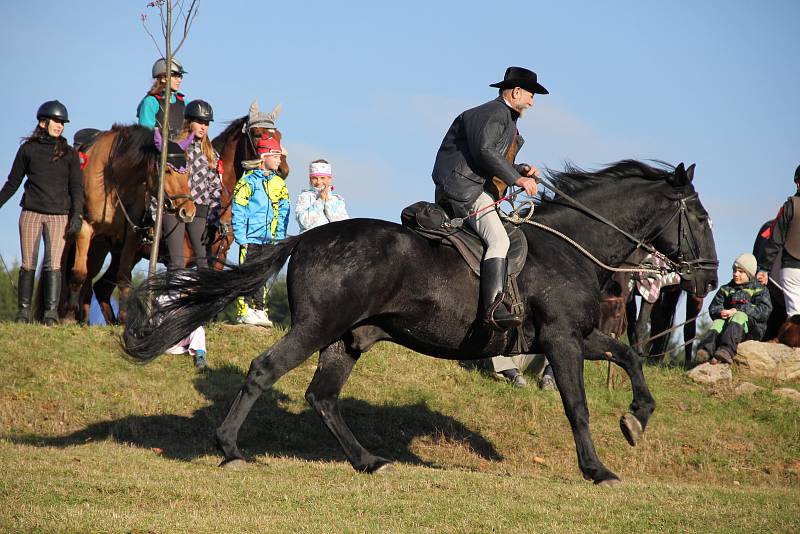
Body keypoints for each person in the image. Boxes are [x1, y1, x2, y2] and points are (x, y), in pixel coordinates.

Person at [432, 66, 547, 331]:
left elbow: (492, 157)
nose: (532, 102)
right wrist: (517, 180)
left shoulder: (504, 118)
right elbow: (485, 152)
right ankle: (494, 308)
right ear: (516, 92)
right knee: (499, 240)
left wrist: (521, 170)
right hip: (465, 190)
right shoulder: (494, 114)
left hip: (470, 186)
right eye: (531, 95)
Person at [0, 101, 83, 326]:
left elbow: (76, 187)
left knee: (53, 264)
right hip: (31, 213)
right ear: (42, 122)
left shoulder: (69, 153)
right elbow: (12, 182)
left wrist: (77, 215)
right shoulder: (28, 150)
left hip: (59, 216)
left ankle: (50, 313)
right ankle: (24, 312)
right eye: (56, 121)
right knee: (28, 263)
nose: (60, 126)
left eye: (62, 123)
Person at [231, 136, 290, 327]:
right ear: (264, 156)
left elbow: (283, 210)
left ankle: (259, 309)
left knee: (263, 274)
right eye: (276, 156)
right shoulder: (247, 181)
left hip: (270, 239)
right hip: (250, 238)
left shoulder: (279, 183)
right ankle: (244, 310)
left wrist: (279, 236)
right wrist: (240, 236)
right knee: (247, 273)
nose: (279, 160)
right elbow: (238, 208)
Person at [160, 99, 222, 270]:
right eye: (199, 122)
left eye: (206, 123)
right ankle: (171, 295)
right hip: (174, 209)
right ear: (189, 122)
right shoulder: (174, 148)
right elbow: (162, 178)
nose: (203, 127)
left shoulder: (211, 154)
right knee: (177, 262)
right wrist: (154, 211)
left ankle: (201, 296)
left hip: (200, 210)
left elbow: (215, 188)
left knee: (203, 262)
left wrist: (213, 220)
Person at [696, 253, 772, 365]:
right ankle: (706, 350)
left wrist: (738, 310)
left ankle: (726, 350)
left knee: (739, 316)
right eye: (734, 270)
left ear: (749, 273)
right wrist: (720, 312)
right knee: (718, 322)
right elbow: (714, 307)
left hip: (752, 329)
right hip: (730, 327)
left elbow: (764, 311)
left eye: (740, 271)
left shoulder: (760, 290)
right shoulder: (726, 289)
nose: (736, 274)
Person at [758, 166, 800, 317]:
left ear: (797, 183)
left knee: (795, 317)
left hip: (792, 267)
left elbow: (776, 239)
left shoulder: (790, 206)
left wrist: (764, 268)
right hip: (792, 269)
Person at [136, 57, 187, 139]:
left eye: (180, 76)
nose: (179, 80)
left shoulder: (185, 102)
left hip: (182, 150)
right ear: (163, 78)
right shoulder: (151, 102)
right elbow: (144, 135)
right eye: (175, 76)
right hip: (156, 150)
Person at [295, 159, 349, 232]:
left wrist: (328, 202)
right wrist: (320, 201)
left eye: (322, 178)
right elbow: (304, 222)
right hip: (310, 241)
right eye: (315, 178)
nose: (318, 182)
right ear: (310, 179)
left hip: (332, 241)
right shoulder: (305, 197)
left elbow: (345, 226)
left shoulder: (337, 200)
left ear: (329, 179)